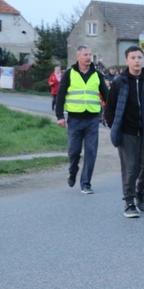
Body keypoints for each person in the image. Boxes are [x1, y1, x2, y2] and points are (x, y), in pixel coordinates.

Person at [104, 46, 144, 218]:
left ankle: (140, 190)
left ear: (143, 60)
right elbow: (110, 107)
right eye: (133, 57)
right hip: (126, 132)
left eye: (139, 57)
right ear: (127, 60)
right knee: (130, 168)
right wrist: (114, 125)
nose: (137, 60)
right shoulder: (120, 81)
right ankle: (129, 203)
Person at [56, 45, 109, 194]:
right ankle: (73, 171)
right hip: (74, 119)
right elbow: (60, 95)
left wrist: (110, 113)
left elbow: (107, 95)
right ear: (78, 56)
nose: (88, 57)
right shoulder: (69, 73)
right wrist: (60, 116)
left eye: (90, 55)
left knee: (91, 151)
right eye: (85, 54)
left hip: (92, 119)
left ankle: (86, 183)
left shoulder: (97, 74)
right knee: (74, 151)